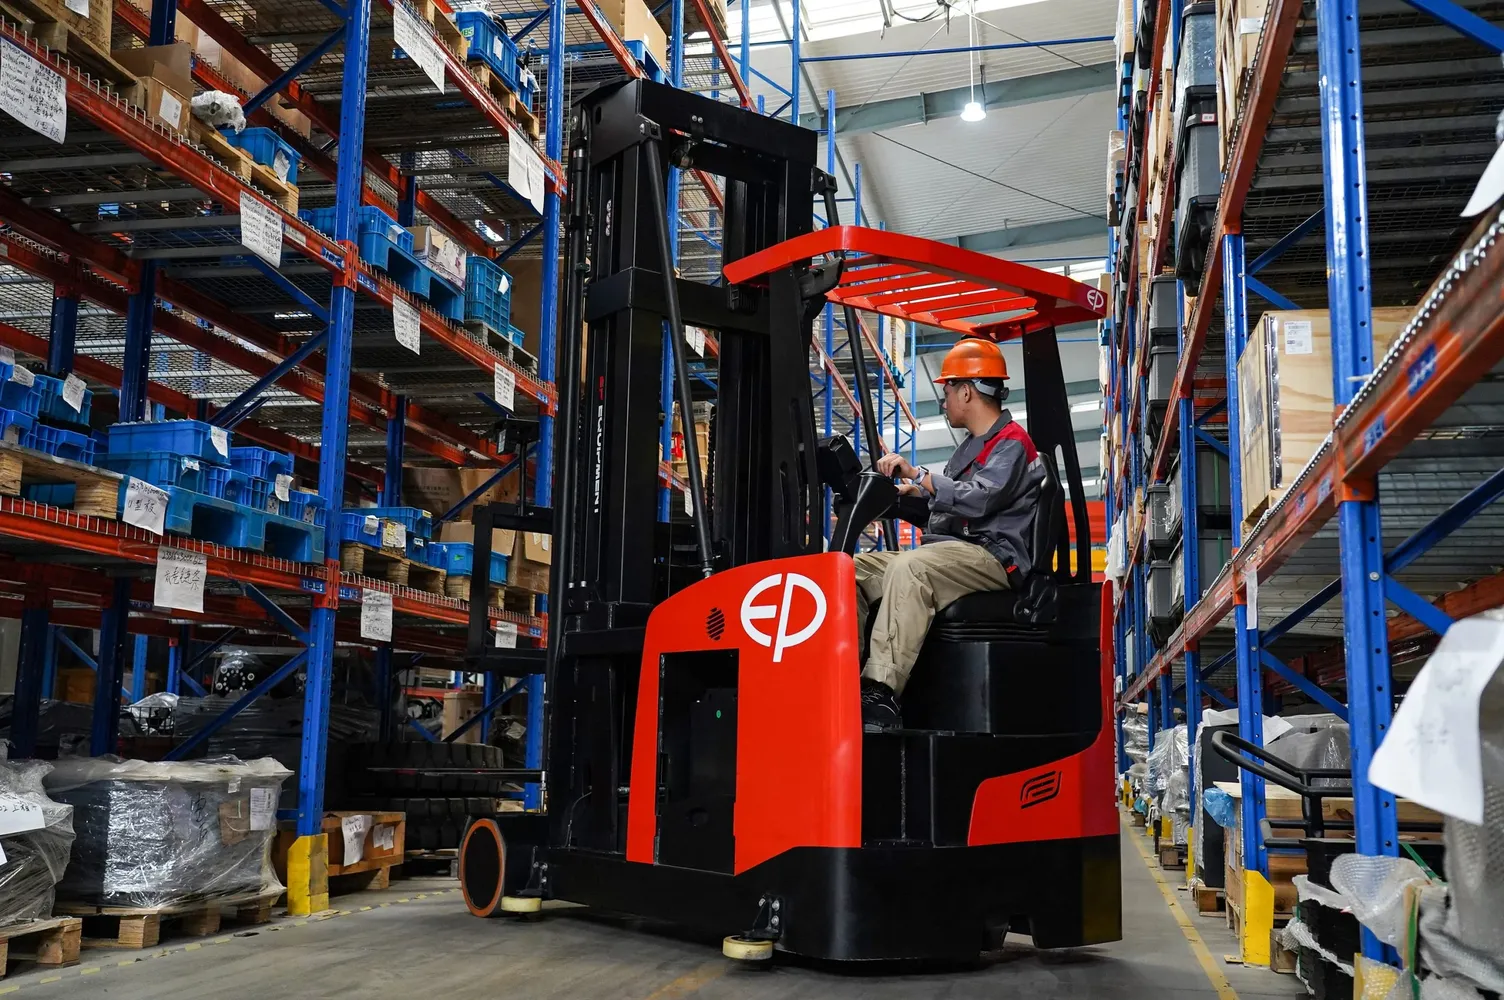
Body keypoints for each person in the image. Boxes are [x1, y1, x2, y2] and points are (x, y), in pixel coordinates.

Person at [857, 338, 1046, 732]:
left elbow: (980, 500)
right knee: (851, 569)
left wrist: (920, 475)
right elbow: (949, 509)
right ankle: (843, 674)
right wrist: (908, 498)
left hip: (993, 556)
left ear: (966, 391)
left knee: (911, 568)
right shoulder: (972, 448)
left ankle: (880, 692)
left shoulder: (1011, 442)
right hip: (958, 551)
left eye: (947, 391)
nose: (944, 401)